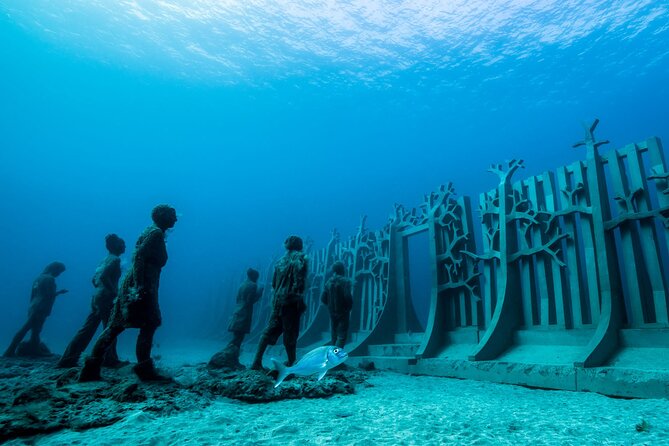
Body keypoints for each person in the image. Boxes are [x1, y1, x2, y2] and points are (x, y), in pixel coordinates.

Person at [79, 204, 177, 382]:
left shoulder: (152, 231)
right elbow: (139, 256)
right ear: (163, 216)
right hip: (142, 285)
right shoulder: (155, 233)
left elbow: (139, 256)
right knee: (149, 323)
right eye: (172, 215)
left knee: (117, 325)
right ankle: (144, 369)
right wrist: (139, 287)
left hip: (137, 283)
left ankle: (91, 368)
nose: (176, 219)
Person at [57, 234, 126, 368]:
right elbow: (105, 277)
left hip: (97, 297)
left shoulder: (104, 260)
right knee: (110, 328)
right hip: (106, 298)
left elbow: (94, 280)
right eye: (122, 244)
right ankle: (110, 358)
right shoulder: (115, 260)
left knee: (87, 329)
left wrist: (101, 292)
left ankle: (68, 358)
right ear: (116, 246)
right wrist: (115, 292)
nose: (124, 246)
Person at [251, 236, 308, 370]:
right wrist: (300, 300)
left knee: (270, 329)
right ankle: (292, 362)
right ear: (300, 245)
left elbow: (275, 284)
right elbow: (299, 282)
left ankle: (256, 361)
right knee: (291, 332)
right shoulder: (300, 258)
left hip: (277, 301)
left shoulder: (279, 261)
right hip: (291, 301)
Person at [4, 262, 68, 357]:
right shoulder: (50, 279)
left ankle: (35, 349)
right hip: (41, 307)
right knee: (27, 328)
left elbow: (33, 295)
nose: (59, 274)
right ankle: (10, 350)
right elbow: (49, 295)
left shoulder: (39, 278)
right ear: (55, 269)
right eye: (59, 272)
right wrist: (59, 292)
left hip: (34, 306)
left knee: (35, 330)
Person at [208, 268, 264, 369]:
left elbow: (238, 299)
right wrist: (260, 292)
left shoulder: (242, 284)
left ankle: (230, 359)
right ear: (254, 276)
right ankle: (227, 359)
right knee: (238, 339)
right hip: (244, 314)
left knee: (236, 337)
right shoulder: (253, 285)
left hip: (237, 312)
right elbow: (250, 301)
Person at [321, 261, 353, 348]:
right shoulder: (345, 282)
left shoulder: (328, 282)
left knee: (334, 336)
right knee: (341, 336)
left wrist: (330, 306)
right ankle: (337, 360)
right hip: (343, 312)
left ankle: (334, 359)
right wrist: (348, 307)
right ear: (342, 270)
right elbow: (348, 297)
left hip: (332, 313)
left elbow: (323, 298)